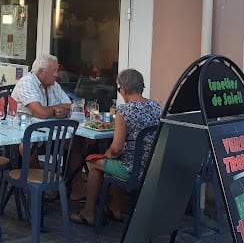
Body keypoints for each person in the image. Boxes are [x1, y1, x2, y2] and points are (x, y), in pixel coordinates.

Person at [70, 68, 161, 226]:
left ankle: (89, 212)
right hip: (153, 166)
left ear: (124, 89)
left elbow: (116, 149)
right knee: (116, 160)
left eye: (119, 90)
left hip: (133, 170)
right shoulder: (156, 106)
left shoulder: (124, 111)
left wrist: (104, 155)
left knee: (95, 164)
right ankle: (115, 207)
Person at [10, 54, 72, 119]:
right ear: (41, 72)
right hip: (24, 127)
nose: (56, 75)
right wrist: (56, 110)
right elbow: (41, 114)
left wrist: (64, 112)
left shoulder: (54, 84)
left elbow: (70, 107)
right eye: (54, 71)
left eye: (57, 71)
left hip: (48, 126)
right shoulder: (26, 83)